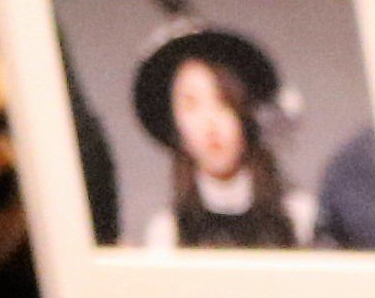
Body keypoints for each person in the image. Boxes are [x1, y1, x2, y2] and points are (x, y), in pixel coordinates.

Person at [129, 21, 312, 249]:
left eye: (223, 101)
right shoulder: (167, 233)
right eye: (191, 104)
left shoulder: (298, 217)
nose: (210, 123)